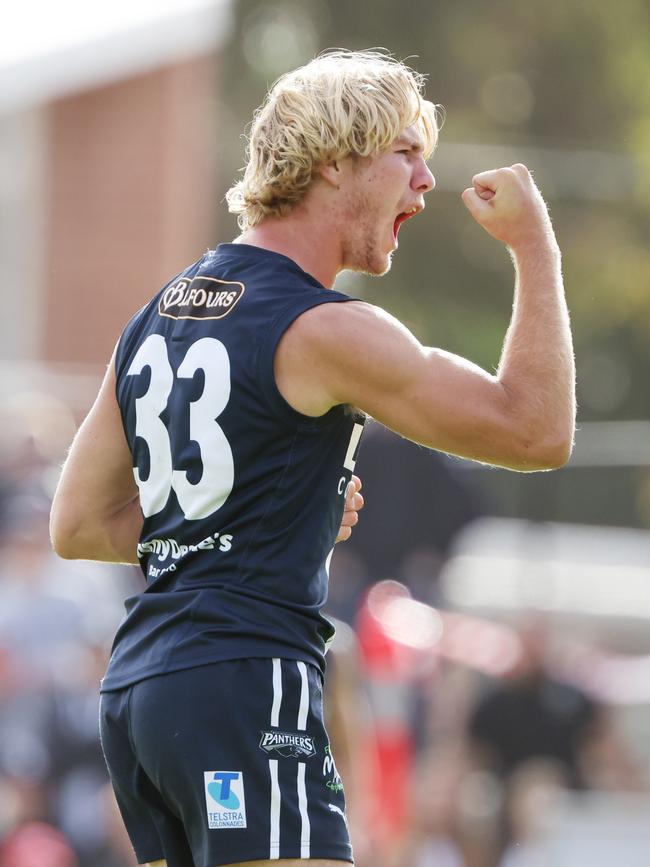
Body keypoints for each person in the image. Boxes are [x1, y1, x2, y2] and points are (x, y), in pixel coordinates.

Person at [49, 48, 575, 867]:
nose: (426, 181)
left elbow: (79, 524)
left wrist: (263, 516)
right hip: (244, 678)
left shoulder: (156, 314)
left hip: (142, 689)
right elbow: (535, 430)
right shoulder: (327, 329)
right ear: (336, 162)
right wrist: (534, 246)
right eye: (406, 152)